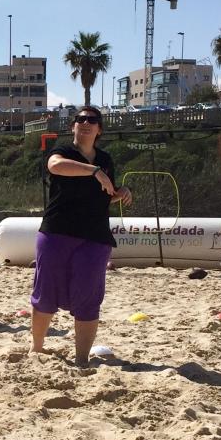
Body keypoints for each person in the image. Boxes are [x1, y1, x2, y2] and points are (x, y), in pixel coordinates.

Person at [30, 107, 132, 367]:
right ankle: (36, 349)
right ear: (73, 126)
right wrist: (94, 170)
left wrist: (122, 192)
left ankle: (82, 359)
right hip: (57, 231)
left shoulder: (106, 159)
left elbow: (106, 194)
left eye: (92, 120)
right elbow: (56, 167)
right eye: (80, 119)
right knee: (45, 293)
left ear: (99, 129)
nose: (85, 123)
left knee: (88, 298)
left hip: (95, 236)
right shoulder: (63, 153)